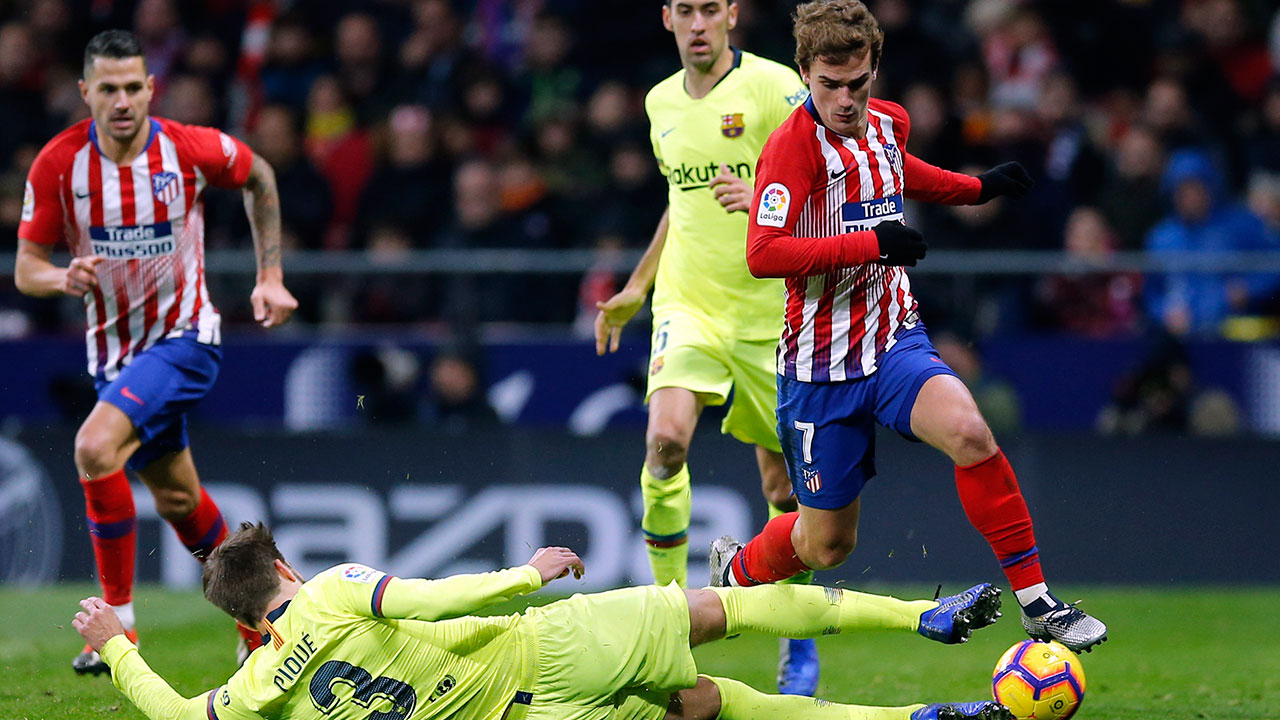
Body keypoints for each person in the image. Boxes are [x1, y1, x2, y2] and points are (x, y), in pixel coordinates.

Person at [706, 0, 1108, 653]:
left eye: (857, 83)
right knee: (826, 545)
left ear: (874, 71)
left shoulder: (888, 123)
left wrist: (976, 189)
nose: (844, 99)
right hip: (821, 366)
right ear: (805, 72)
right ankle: (736, 568)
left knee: (970, 432)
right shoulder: (791, 149)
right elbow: (763, 253)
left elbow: (898, 175)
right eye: (829, 84)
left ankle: (1038, 605)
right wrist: (872, 245)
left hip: (894, 337)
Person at [73, 521, 1014, 720]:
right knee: (714, 609)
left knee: (706, 709)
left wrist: (115, 644)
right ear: (281, 570)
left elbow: (172, 714)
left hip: (530, 717)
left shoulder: (255, 690)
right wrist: (523, 574)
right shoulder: (329, 589)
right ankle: (922, 617)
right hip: (542, 639)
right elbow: (431, 597)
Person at [14, 30, 298, 674]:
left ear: (151, 88)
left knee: (92, 447)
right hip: (117, 359)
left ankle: (120, 625)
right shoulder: (59, 164)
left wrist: (270, 274)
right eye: (107, 88)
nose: (121, 100)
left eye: (132, 86)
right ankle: (270, 614)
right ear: (86, 92)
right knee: (177, 499)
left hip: (186, 340)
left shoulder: (187, 150)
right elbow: (27, 267)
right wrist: (62, 278)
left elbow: (259, 174)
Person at [591, 0, 819, 693]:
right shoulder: (660, 102)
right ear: (666, 18)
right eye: (684, 10)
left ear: (731, 15)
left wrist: (763, 201)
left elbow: (830, 184)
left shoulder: (777, 89)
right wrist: (637, 286)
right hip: (687, 305)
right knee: (665, 442)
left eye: (708, 9)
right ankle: (669, 621)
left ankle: (799, 637)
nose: (697, 23)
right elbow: (680, 202)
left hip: (769, 313)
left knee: (784, 488)